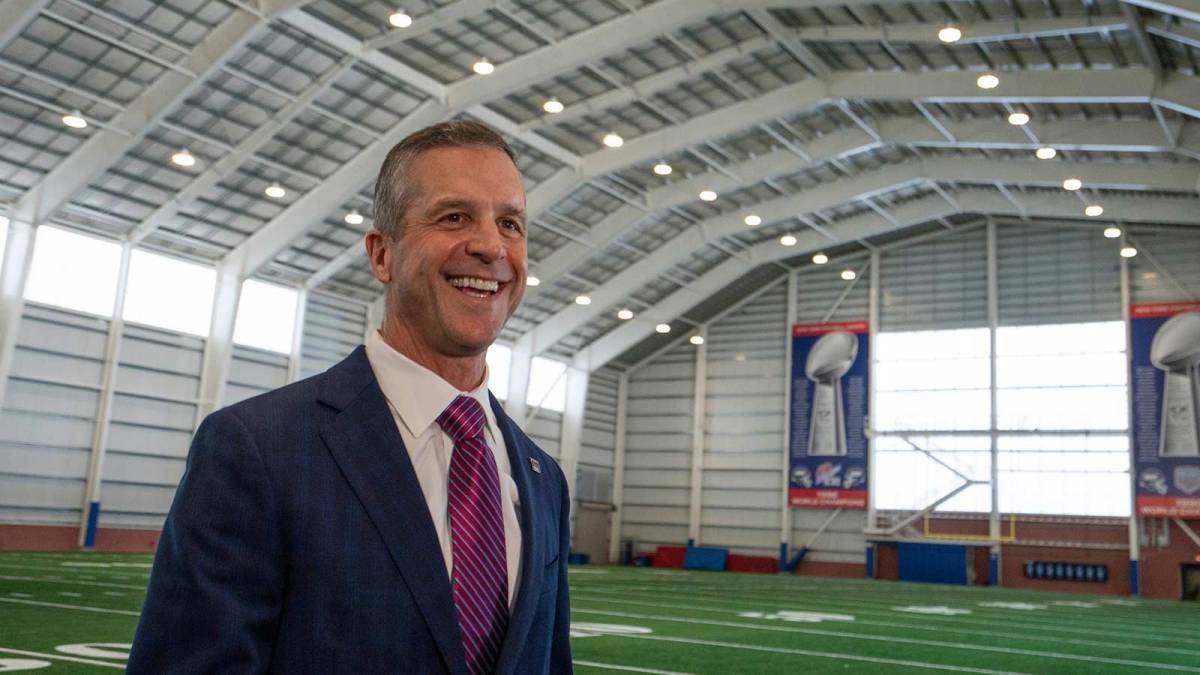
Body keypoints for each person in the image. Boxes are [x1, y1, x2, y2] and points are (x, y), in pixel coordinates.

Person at [127, 121, 573, 674]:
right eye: (454, 217)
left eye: (510, 223)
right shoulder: (258, 449)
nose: (490, 245)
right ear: (382, 255)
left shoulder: (543, 480)